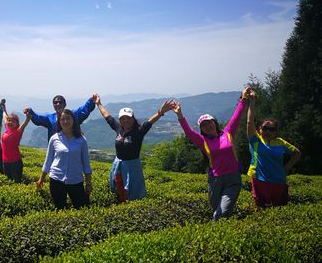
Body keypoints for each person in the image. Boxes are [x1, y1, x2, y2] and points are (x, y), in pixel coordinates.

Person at [172, 87, 251, 221]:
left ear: (215, 123)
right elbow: (188, 131)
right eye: (203, 125)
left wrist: (243, 99)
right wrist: (180, 114)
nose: (207, 126)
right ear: (201, 129)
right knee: (217, 210)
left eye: (209, 122)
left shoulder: (228, 133)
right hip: (215, 180)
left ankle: (212, 233)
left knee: (221, 212)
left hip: (233, 178)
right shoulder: (202, 141)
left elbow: (236, 116)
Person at [94, 94, 173, 202]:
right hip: (118, 165)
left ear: (133, 119)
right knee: (118, 190)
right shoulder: (119, 128)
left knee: (133, 192)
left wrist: (161, 112)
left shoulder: (138, 131)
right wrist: (98, 104)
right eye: (123, 118)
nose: (125, 120)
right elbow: (107, 116)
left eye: (128, 118)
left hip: (132, 167)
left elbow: (149, 122)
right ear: (120, 120)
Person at [246, 90, 301, 208]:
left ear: (276, 132)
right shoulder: (256, 140)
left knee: (280, 209)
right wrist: (252, 101)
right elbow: (249, 122)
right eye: (265, 128)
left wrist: (287, 167)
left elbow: (297, 153)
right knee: (260, 208)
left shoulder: (280, 142)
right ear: (259, 129)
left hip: (279, 181)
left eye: (271, 129)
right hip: (259, 181)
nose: (267, 131)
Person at [36, 109, 92, 209]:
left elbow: (86, 163)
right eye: (63, 119)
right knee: (59, 208)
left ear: (73, 120)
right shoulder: (54, 138)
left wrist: (88, 183)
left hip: (75, 180)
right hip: (56, 179)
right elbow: (48, 161)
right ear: (59, 122)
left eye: (68, 118)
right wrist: (41, 179)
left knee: (81, 207)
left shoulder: (81, 140)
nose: (65, 121)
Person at [24, 94, 97, 141]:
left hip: (73, 148)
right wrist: (30, 111)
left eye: (60, 102)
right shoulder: (50, 118)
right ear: (53, 105)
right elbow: (38, 118)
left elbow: (84, 110)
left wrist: (91, 100)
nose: (58, 104)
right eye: (55, 103)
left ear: (65, 104)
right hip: (56, 150)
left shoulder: (73, 115)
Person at [1, 103, 31, 183]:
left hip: (15, 162)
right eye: (9, 121)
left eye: (13, 121)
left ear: (17, 124)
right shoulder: (7, 128)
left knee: (17, 181)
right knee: (8, 181)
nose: (10, 122)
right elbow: (5, 117)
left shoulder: (17, 131)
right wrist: (3, 108)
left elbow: (24, 125)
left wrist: (27, 118)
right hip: (5, 161)